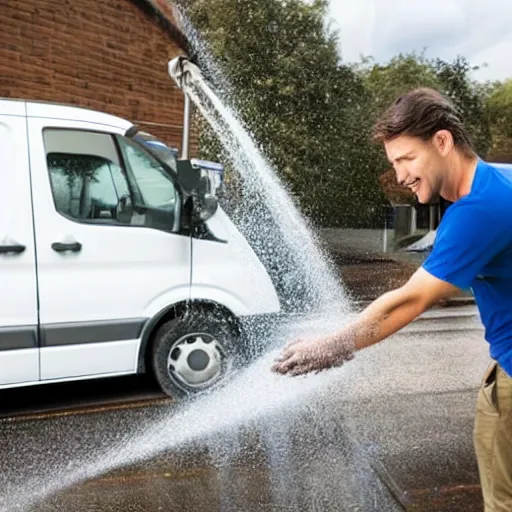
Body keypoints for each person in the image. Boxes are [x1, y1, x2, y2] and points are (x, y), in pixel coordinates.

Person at [272, 87, 512, 511]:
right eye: (394, 163)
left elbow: (410, 301)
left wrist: (335, 344)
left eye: (406, 159)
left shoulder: (478, 209)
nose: (400, 176)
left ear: (442, 142)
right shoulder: (500, 179)